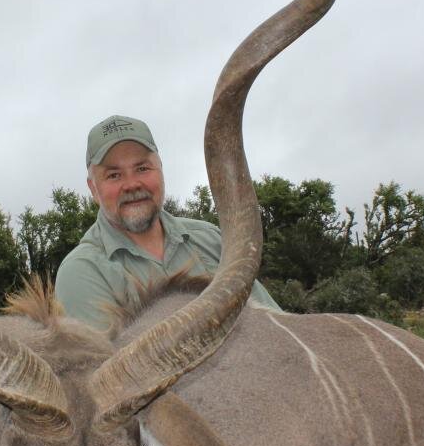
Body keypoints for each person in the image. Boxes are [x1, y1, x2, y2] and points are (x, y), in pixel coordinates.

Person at [54, 114, 280, 329]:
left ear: (161, 171)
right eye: (114, 175)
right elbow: (110, 367)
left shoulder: (211, 239)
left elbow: (275, 324)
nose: (132, 184)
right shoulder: (81, 272)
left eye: (142, 168)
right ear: (93, 188)